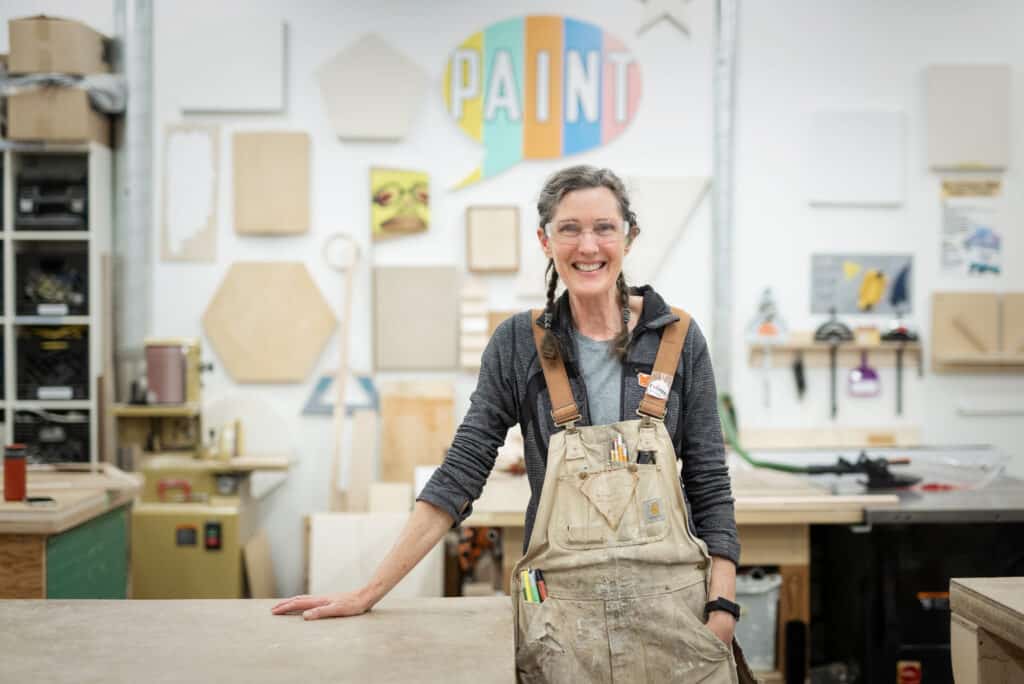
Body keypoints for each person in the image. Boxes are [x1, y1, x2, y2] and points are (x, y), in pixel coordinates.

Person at [273, 165, 755, 683]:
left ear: (629, 236)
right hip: (562, 622)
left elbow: (708, 481)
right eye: (569, 228)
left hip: (676, 615)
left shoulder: (678, 340)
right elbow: (460, 474)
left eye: (604, 227)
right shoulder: (519, 345)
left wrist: (722, 609)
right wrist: (368, 591)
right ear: (545, 240)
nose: (587, 245)